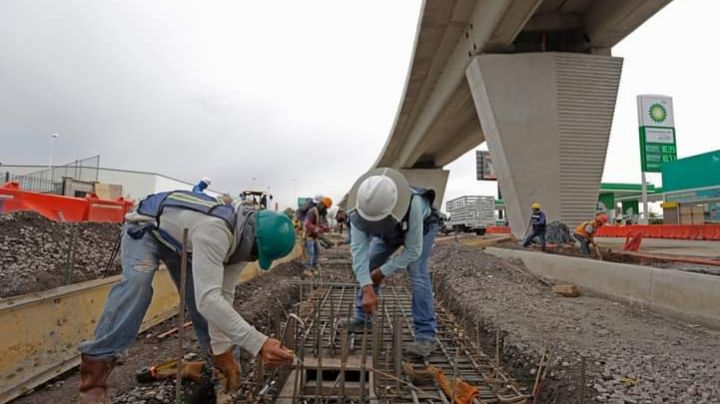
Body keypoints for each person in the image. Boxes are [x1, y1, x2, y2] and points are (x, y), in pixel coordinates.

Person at [78, 190, 296, 403]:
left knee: (202, 302)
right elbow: (209, 300)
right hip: (146, 229)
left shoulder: (241, 247)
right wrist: (258, 343)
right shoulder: (215, 231)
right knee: (138, 285)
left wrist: (223, 352)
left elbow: (222, 297)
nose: (252, 258)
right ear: (253, 240)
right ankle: (94, 379)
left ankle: (221, 373)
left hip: (182, 242)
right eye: (256, 254)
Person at [340, 167, 440, 358]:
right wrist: (367, 288)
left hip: (422, 228)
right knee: (369, 263)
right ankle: (363, 318)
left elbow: (413, 251)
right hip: (387, 233)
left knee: (417, 271)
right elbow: (359, 255)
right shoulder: (357, 211)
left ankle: (426, 335)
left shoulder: (415, 203)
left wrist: (382, 272)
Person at [303, 196, 332, 270]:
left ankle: (314, 265)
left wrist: (324, 228)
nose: (325, 209)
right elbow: (307, 224)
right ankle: (308, 268)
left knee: (317, 251)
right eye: (325, 207)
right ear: (321, 204)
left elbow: (316, 224)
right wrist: (317, 229)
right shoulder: (312, 211)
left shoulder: (319, 213)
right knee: (311, 252)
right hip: (309, 235)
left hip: (314, 236)